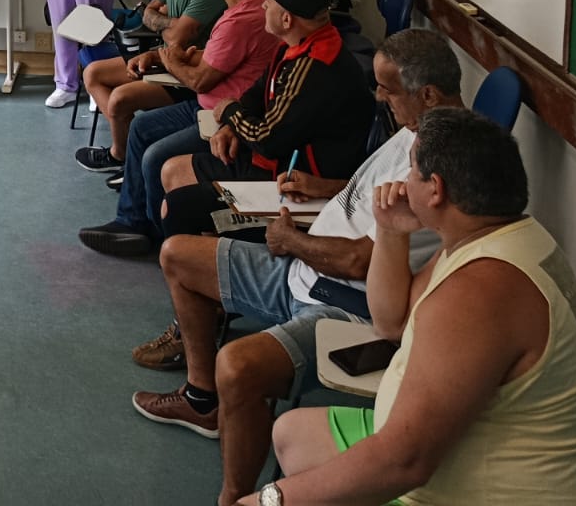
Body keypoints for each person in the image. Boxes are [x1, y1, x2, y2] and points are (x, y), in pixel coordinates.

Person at [126, 31, 461, 505]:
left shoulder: (443, 168)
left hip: (342, 300)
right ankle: (202, 401)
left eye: (387, 89)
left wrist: (291, 241)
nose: (378, 97)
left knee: (238, 367)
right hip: (305, 264)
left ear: (427, 95)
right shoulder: (416, 129)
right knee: (177, 254)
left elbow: (360, 261)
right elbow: (369, 192)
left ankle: (233, 497)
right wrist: (323, 186)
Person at [240, 108, 576, 506]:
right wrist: (389, 229)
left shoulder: (478, 292)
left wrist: (269, 500)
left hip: (497, 490)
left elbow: (405, 464)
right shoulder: (486, 237)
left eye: (411, 170)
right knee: (292, 435)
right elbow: (391, 321)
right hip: (464, 450)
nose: (403, 182)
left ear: (435, 189)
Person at [77, 0, 278, 256]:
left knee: (155, 156)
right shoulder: (246, 6)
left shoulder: (240, 21)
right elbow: (209, 56)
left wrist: (169, 60)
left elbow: (199, 79)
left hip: (221, 116)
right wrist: (160, 55)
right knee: (141, 127)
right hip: (207, 103)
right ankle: (132, 221)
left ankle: (157, 235)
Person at [154, 0, 374, 240]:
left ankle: (196, 253)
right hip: (276, 158)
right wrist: (231, 127)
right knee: (173, 171)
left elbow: (267, 139)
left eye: (269, 3)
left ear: (286, 19)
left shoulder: (314, 67)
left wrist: (230, 112)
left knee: (175, 202)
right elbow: (258, 91)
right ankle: (203, 248)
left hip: (293, 181)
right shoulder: (295, 45)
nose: (263, 6)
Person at [73, 0, 227, 172]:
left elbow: (176, 34)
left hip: (185, 70)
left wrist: (163, 23)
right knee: (92, 74)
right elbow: (149, 12)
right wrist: (169, 24)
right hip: (162, 56)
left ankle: (120, 155)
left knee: (119, 99)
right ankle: (130, 149)